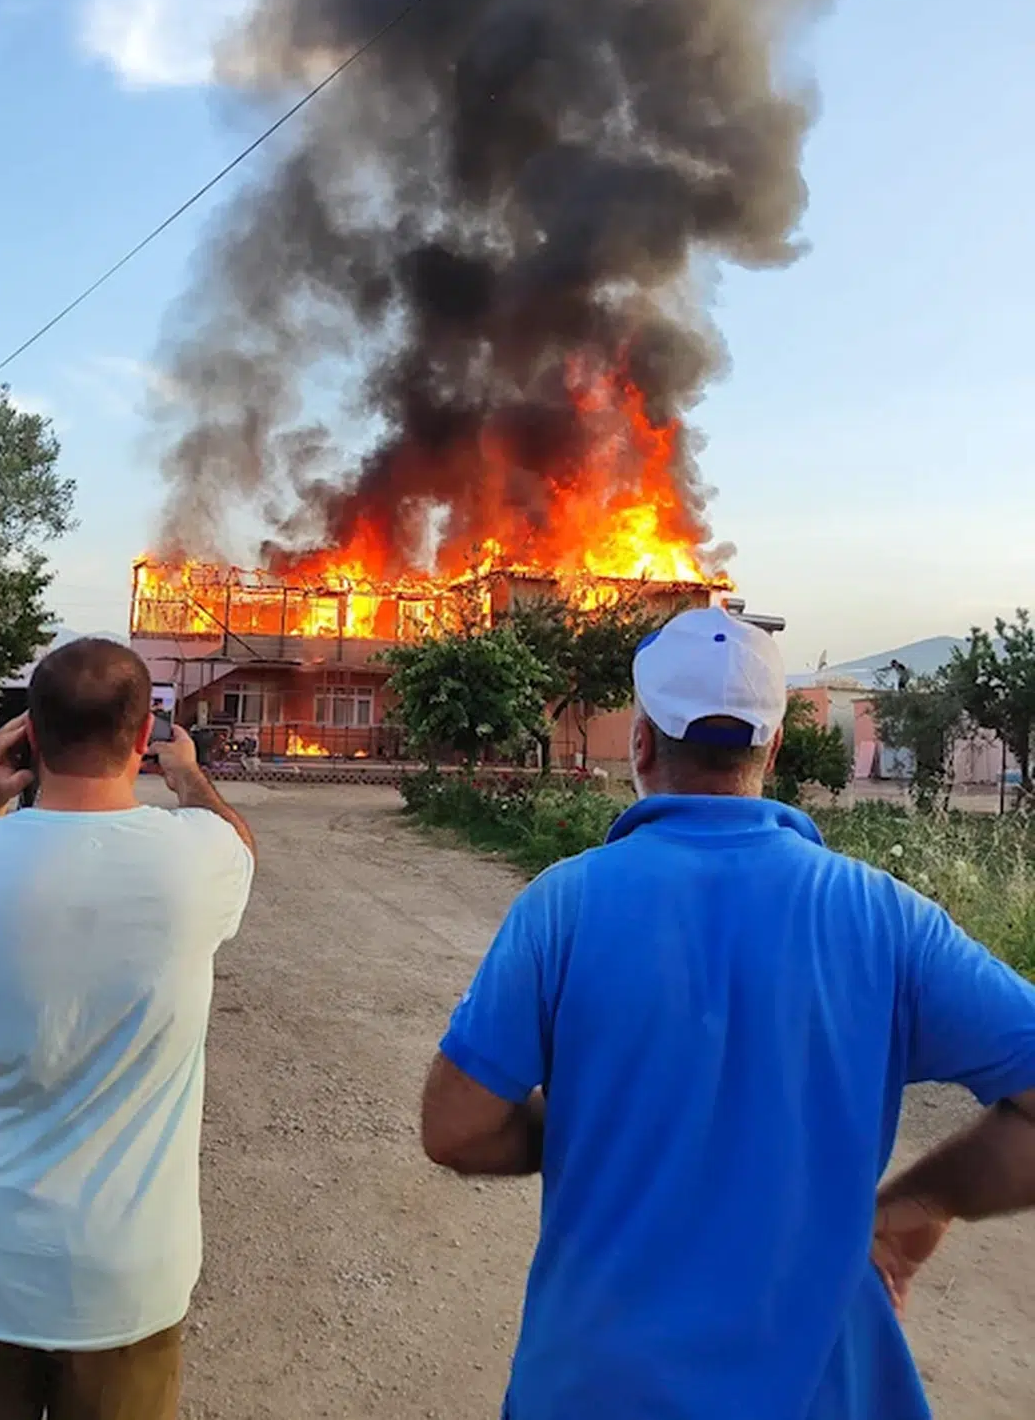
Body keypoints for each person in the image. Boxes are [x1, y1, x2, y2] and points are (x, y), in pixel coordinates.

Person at [421, 605, 1035, 1420]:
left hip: (592, 1390)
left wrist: (582, 1126)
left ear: (641, 742)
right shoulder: (884, 917)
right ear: (771, 747)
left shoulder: (562, 907)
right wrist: (924, 1201)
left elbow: (455, 1124)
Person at [0, 637, 256, 1420]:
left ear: (30, 736)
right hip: (124, 1284)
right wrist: (190, 778)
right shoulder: (197, 861)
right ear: (143, 738)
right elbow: (242, 845)